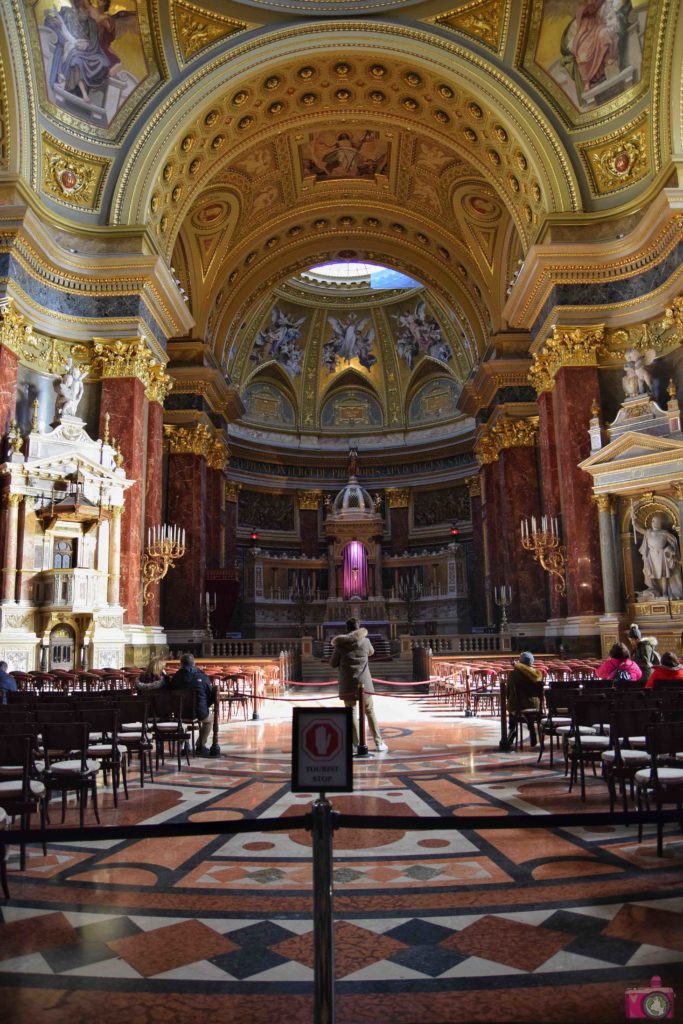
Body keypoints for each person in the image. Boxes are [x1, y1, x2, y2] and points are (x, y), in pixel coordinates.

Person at [331, 617, 387, 753]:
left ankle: (355, 744)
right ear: (358, 627)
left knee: (351, 713)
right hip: (364, 683)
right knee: (370, 711)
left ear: (347, 628)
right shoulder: (366, 641)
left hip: (347, 683)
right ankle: (379, 743)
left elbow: (333, 663)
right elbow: (372, 652)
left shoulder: (340, 644)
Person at [166, 653, 215, 756]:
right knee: (210, 720)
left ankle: (186, 745)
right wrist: (205, 706)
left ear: (181, 664)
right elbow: (210, 695)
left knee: (182, 722)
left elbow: (171, 694)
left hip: (180, 712)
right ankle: (200, 745)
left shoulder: (175, 678)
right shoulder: (202, 676)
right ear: (194, 663)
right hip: (199, 712)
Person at [631, 512, 683, 600]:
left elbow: (673, 542)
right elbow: (638, 528)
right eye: (653, 521)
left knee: (663, 575)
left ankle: (665, 593)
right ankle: (655, 590)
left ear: (660, 523)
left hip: (662, 556)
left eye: (656, 521)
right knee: (652, 575)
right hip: (651, 557)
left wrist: (670, 550)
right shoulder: (648, 532)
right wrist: (634, 520)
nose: (654, 523)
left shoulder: (664, 533)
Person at [506, 652, 543, 748]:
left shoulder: (514, 674)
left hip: (518, 706)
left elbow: (508, 691)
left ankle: (512, 729)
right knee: (528, 710)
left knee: (512, 707)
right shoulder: (537, 674)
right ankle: (532, 729)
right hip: (535, 706)